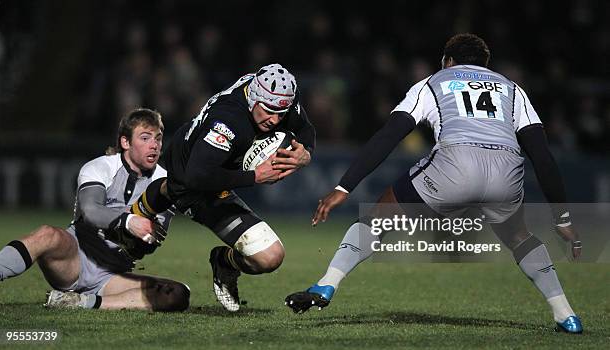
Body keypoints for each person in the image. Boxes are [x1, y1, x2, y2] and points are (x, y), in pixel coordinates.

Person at [285, 34, 583, 334]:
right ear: (486, 64)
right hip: (505, 170)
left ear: (448, 61)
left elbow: (390, 135)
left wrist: (343, 187)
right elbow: (542, 156)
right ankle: (566, 314)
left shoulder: (435, 82)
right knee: (520, 237)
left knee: (380, 215)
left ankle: (326, 285)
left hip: (455, 166)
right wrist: (562, 217)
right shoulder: (512, 88)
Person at [130, 63, 315, 312]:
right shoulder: (228, 120)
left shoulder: (278, 95)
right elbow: (198, 177)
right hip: (193, 179)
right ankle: (148, 206)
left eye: (280, 113)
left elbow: (305, 128)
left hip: (208, 161)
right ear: (254, 98)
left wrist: (306, 154)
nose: (275, 119)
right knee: (267, 255)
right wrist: (255, 176)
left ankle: (224, 262)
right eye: (269, 111)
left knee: (272, 259)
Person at [0, 108, 190, 311]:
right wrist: (129, 221)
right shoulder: (101, 167)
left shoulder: (164, 184)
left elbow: (147, 245)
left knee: (177, 294)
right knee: (47, 234)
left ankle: (80, 302)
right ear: (125, 142)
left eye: (158, 139)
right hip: (76, 259)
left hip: (114, 275)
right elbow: (91, 210)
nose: (154, 145)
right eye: (145, 138)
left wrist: (144, 238)